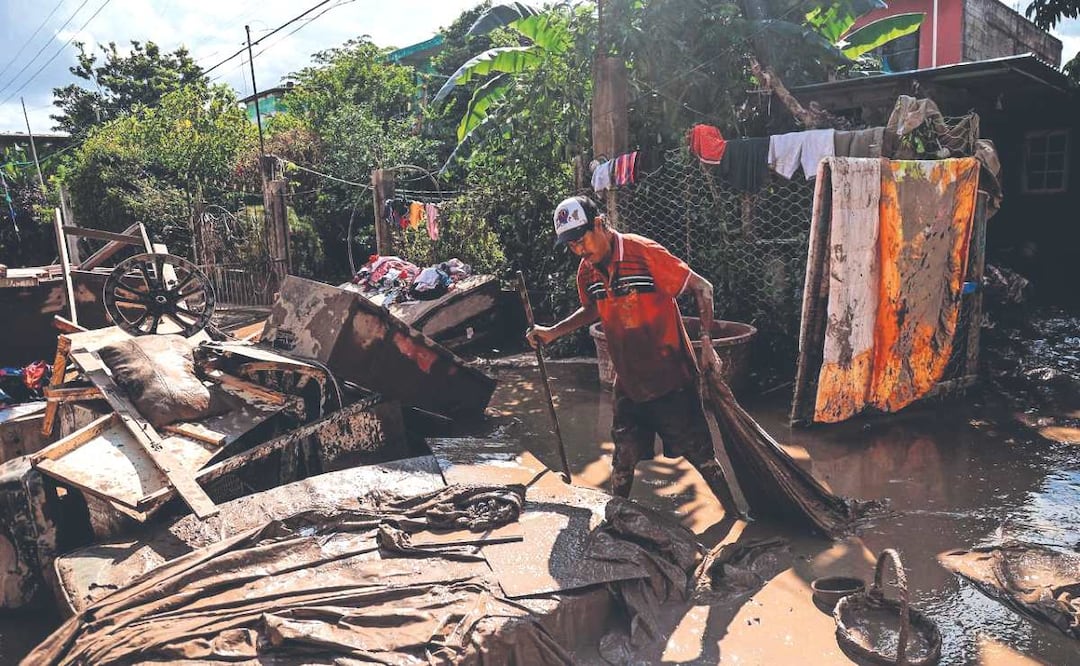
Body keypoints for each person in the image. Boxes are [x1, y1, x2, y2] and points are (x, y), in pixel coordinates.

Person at [526, 195, 744, 519]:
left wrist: (707, 344)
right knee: (623, 459)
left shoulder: (643, 253)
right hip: (628, 381)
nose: (579, 251)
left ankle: (736, 517)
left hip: (672, 377)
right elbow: (592, 309)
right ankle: (617, 521)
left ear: (598, 224)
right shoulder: (587, 272)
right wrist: (551, 332)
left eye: (581, 240)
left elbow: (703, 287)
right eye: (571, 245)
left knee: (701, 455)